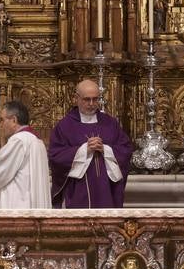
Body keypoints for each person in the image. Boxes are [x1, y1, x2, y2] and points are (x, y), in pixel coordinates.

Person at [49, 78, 133, 208]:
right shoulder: (64, 126)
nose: (92, 103)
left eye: (95, 99)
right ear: (76, 98)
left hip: (107, 188)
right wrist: (84, 150)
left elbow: (125, 150)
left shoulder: (110, 123)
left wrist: (105, 149)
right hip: (77, 189)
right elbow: (56, 156)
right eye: (87, 99)